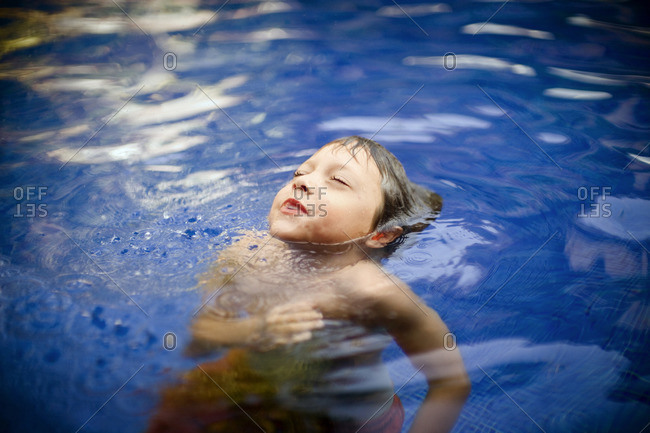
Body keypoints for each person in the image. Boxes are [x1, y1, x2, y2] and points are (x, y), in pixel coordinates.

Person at [148, 136, 470, 433]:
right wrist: (257, 331)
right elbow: (201, 339)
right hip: (253, 389)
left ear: (381, 235)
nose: (302, 183)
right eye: (299, 173)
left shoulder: (372, 292)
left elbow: (451, 382)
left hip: (344, 420)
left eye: (339, 180)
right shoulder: (242, 256)